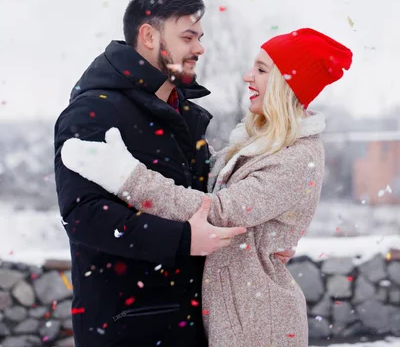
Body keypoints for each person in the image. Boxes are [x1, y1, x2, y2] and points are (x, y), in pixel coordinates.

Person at [62, 27, 353, 347]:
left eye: (261, 69)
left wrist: (126, 177)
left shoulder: (297, 157)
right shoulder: (261, 145)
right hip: (233, 316)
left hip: (258, 327)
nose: (247, 76)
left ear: (286, 84)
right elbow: (209, 185)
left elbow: (218, 211)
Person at [54, 0, 293, 347]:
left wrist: (259, 241)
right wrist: (183, 240)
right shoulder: (95, 112)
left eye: (199, 37)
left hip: (195, 323)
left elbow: (209, 206)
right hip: (129, 327)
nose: (200, 48)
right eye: (188, 36)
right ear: (149, 36)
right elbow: (83, 217)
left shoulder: (184, 115)